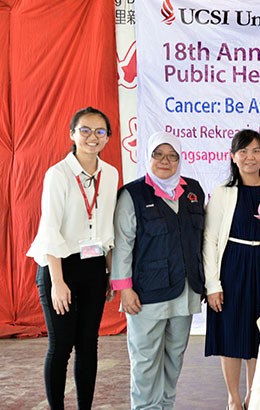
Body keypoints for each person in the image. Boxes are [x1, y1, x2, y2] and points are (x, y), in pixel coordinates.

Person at [26, 107, 118, 410]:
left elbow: (105, 228)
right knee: (62, 345)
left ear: (107, 137)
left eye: (100, 131)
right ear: (72, 134)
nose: (92, 137)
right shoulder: (58, 174)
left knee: (88, 346)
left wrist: (110, 274)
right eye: (85, 130)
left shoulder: (111, 174)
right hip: (59, 266)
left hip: (93, 267)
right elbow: (50, 229)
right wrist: (57, 282)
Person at [111, 131, 206, 410]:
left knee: (174, 357)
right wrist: (124, 289)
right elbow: (122, 244)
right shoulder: (132, 194)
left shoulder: (193, 191)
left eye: (172, 156)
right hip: (145, 294)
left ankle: (165, 406)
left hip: (184, 290)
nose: (165, 161)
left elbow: (200, 240)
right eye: (158, 155)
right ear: (148, 157)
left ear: (179, 160)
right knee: (145, 359)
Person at [204, 130, 260, 410]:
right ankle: (233, 398)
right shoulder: (222, 193)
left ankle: (254, 396)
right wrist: (213, 285)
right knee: (231, 333)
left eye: (256, 151)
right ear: (233, 157)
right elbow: (209, 240)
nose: (249, 157)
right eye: (243, 151)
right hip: (233, 266)